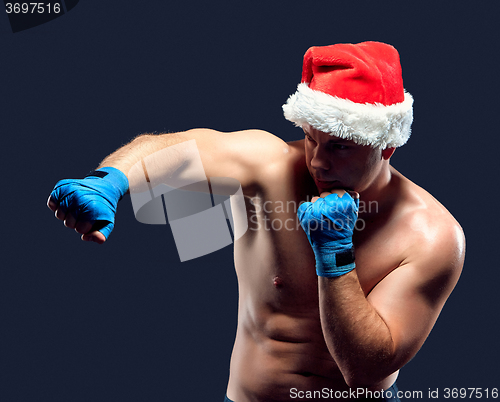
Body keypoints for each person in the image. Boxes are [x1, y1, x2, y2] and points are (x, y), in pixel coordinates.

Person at [47, 41, 465, 401]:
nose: (317, 161)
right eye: (311, 139)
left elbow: (365, 370)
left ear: (387, 146)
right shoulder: (270, 167)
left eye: (339, 147)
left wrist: (335, 254)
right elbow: (175, 148)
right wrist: (110, 181)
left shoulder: (431, 236)